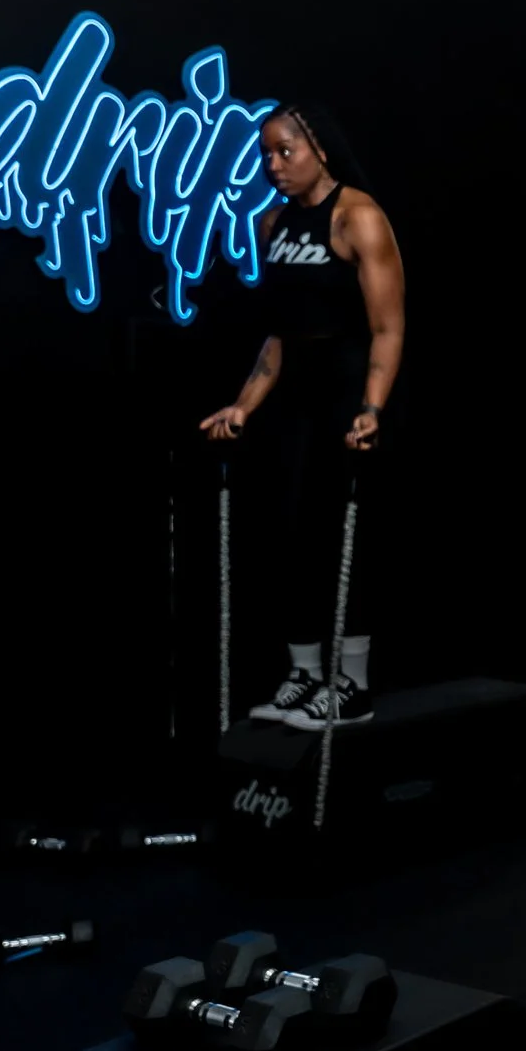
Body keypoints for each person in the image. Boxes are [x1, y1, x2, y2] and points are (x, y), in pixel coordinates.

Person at [199, 104, 405, 730]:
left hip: (347, 400)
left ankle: (353, 686)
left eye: (285, 151)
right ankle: (305, 675)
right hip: (296, 406)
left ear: (319, 146)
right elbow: (280, 337)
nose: (273, 165)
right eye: (266, 154)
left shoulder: (358, 217)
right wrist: (243, 403)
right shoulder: (274, 223)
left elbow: (388, 327)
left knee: (345, 546)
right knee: (293, 536)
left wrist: (372, 408)